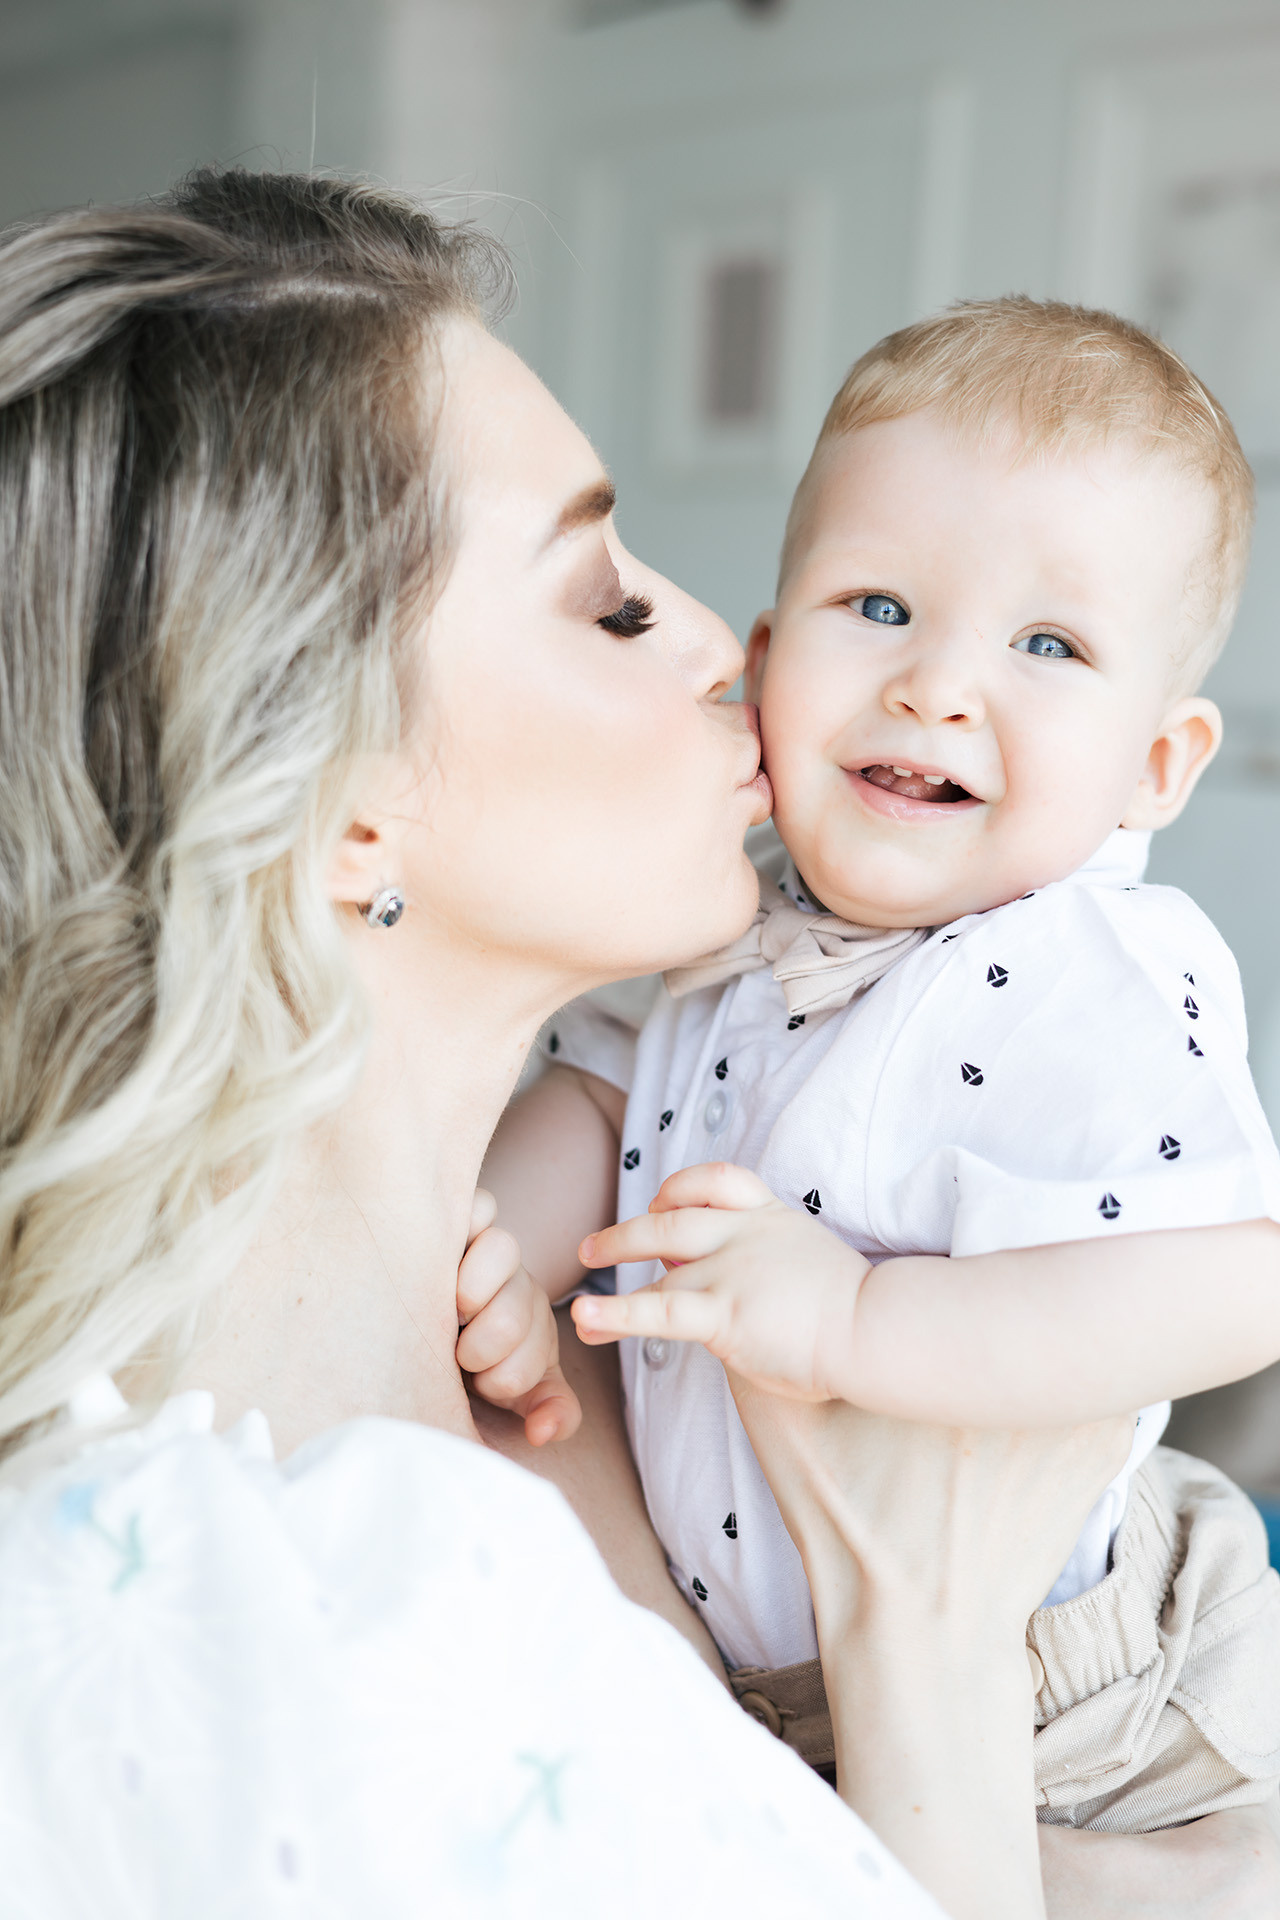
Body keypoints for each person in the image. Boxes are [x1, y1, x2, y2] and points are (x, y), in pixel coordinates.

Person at [0, 166, 1160, 1920]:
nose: (726, 646)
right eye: (607, 602)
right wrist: (921, 1645)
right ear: (339, 815)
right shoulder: (263, 1614)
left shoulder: (577, 1346)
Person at [484, 302, 1280, 1835]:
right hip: (783, 1692)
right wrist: (496, 1255)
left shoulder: (1089, 967)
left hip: (1087, 1705)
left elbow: (1234, 1281)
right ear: (771, 662)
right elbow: (595, 1100)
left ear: (1157, 765)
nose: (935, 686)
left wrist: (864, 1316)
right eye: (879, 606)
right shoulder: (727, 926)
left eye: (1047, 645)